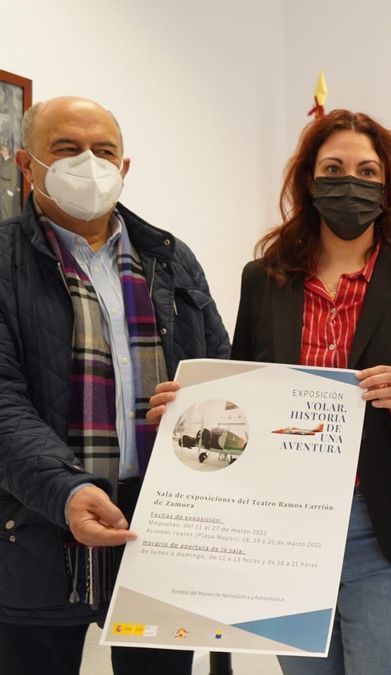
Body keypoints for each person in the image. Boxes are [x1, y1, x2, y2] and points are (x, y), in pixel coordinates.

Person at [153, 109, 391, 675]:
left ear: (388, 186)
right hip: (287, 534)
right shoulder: (266, 278)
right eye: (333, 168)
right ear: (309, 180)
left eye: (366, 171)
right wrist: (189, 408)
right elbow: (245, 396)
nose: (349, 183)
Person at [0, 97, 230, 674]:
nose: (89, 163)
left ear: (124, 168)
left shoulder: (170, 260)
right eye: (67, 149)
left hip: (162, 526)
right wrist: (67, 491)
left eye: (103, 151)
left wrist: (195, 402)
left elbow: (221, 373)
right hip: (35, 525)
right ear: (27, 164)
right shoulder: (4, 261)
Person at [0, 143, 19, 221]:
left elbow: (14, 178)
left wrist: (10, 191)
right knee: (2, 211)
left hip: (7, 191)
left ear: (8, 151)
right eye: (2, 150)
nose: (3, 152)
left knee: (7, 212)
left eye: (4, 150)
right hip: (2, 190)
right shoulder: (2, 163)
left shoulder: (11, 163)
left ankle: (9, 230)